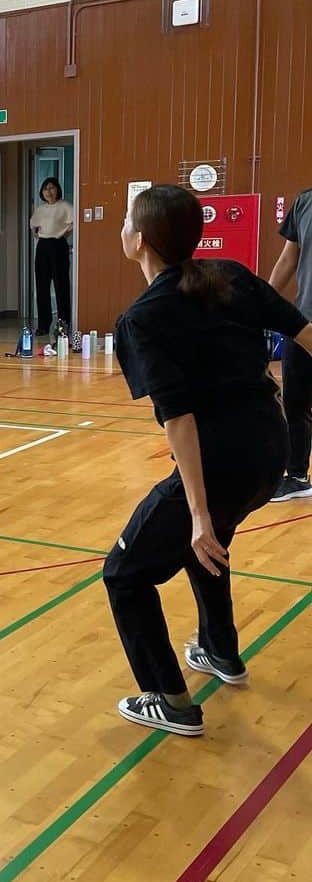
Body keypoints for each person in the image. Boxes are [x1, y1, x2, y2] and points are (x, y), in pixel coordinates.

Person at [105, 185, 312, 738]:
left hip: (223, 460)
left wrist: (196, 512)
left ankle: (170, 701)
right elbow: (304, 331)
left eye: (126, 222)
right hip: (272, 449)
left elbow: (180, 421)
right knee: (211, 544)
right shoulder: (231, 274)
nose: (122, 229)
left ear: (140, 240)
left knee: (124, 575)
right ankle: (221, 652)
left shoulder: (143, 319)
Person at [268, 187, 312, 501]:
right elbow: (288, 258)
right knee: (295, 402)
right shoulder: (304, 201)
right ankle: (297, 476)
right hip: (304, 322)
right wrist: (263, 301)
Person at [31, 178, 74, 336]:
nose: (49, 191)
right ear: (42, 192)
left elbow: (74, 222)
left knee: (61, 284)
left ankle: (64, 323)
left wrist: (64, 234)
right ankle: (43, 324)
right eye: (45, 188)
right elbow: (33, 226)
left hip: (58, 245)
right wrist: (36, 234)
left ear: (57, 190)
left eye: (52, 188)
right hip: (42, 245)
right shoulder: (40, 209)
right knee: (42, 286)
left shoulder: (65, 206)